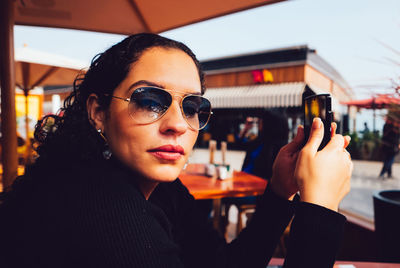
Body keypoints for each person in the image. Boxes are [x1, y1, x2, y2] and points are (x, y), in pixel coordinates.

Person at [0, 33, 353, 268]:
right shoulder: (98, 208)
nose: (179, 124)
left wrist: (278, 191)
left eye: (192, 106)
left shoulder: (160, 187)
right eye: (150, 101)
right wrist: (318, 209)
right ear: (98, 112)